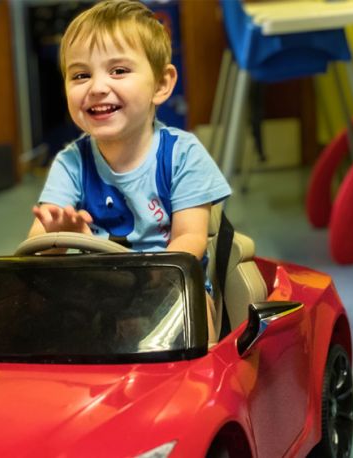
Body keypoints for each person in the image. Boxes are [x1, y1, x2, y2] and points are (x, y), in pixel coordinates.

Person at [27, 0, 231, 341]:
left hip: (169, 289)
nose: (96, 87)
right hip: (95, 294)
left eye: (118, 71)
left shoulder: (182, 155)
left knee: (195, 310)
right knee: (41, 319)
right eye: (80, 75)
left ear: (161, 85)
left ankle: (199, 385)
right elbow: (37, 245)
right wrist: (56, 237)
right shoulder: (71, 162)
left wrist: (148, 278)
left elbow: (190, 237)